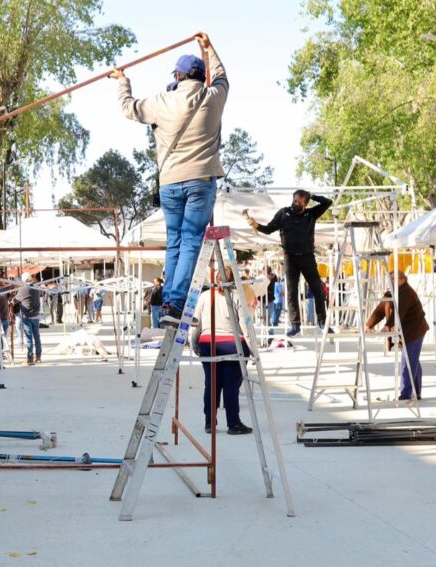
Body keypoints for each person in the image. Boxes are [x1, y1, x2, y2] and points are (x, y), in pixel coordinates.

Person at [110, 32, 228, 322]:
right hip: (200, 179)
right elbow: (222, 76)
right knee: (190, 241)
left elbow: (128, 107)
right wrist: (209, 48)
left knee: (175, 241)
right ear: (200, 77)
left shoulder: (162, 101)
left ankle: (168, 306)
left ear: (178, 76)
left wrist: (122, 80)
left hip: (170, 182)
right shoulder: (213, 97)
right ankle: (175, 304)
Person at [247, 189, 332, 337]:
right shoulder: (283, 213)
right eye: (294, 200)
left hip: (307, 257)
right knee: (292, 292)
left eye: (299, 202)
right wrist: (257, 226)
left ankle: (322, 322)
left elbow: (327, 202)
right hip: (290, 258)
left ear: (305, 204)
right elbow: (269, 229)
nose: (295, 204)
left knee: (318, 290)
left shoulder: (311, 214)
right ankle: (295, 324)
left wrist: (312, 196)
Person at [190, 265, 254, 435]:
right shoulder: (236, 297)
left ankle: (210, 422)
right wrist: (252, 349)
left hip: (208, 342)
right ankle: (233, 423)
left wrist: (194, 343)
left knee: (211, 384)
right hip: (232, 343)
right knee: (231, 386)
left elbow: (196, 323)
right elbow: (245, 326)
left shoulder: (204, 296)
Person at [365, 271, 430, 401]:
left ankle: (406, 394)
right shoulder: (392, 292)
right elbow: (380, 310)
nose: (391, 281)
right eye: (389, 278)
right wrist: (368, 325)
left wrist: (387, 326)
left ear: (402, 280)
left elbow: (398, 313)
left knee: (408, 361)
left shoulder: (406, 292)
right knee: (413, 360)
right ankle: (416, 392)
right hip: (407, 331)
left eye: (393, 278)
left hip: (415, 330)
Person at [13, 273, 43, 365]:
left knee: (29, 338)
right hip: (36, 316)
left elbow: (15, 300)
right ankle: (38, 357)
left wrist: (11, 300)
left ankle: (30, 359)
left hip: (26, 316)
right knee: (37, 336)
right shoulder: (37, 288)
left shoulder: (23, 289)